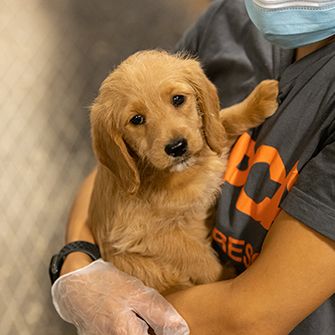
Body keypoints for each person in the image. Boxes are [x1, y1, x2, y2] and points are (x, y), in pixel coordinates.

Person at [50, 0, 335, 334]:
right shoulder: (228, 19)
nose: (171, 135)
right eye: (138, 120)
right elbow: (110, 174)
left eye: (178, 101)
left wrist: (128, 312)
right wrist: (77, 266)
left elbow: (252, 316)